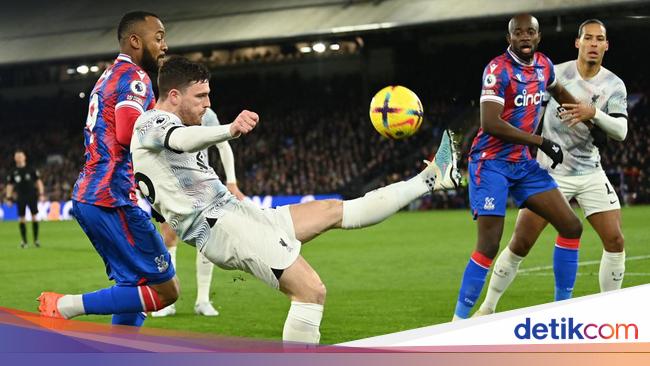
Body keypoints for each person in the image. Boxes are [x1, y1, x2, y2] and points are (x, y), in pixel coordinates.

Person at [130, 55, 459, 343]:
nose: (207, 104)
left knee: (332, 210)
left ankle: (430, 180)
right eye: (200, 96)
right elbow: (181, 140)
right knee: (310, 291)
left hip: (236, 215)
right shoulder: (152, 123)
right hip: (223, 227)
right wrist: (229, 129)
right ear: (173, 96)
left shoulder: (175, 124)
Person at [475, 19, 628, 316]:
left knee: (615, 239)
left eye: (600, 39)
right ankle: (488, 307)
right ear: (578, 42)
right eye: (588, 38)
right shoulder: (554, 72)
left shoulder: (614, 84)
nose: (594, 44)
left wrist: (593, 113)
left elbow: (621, 131)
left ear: (606, 45)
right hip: (550, 172)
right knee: (521, 242)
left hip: (590, 171)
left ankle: (612, 312)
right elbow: (525, 109)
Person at [37, 11, 179, 327]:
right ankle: (65, 306)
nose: (164, 46)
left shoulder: (108, 76)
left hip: (93, 196)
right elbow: (130, 134)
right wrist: (169, 139)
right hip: (113, 199)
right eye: (158, 38)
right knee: (166, 291)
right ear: (135, 40)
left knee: (132, 287)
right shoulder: (135, 78)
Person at [452, 14, 596, 321]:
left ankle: (562, 312)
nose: (525, 37)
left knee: (572, 226)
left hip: (522, 164)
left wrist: (582, 114)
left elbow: (559, 92)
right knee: (489, 245)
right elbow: (490, 123)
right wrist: (540, 141)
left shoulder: (544, 66)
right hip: (490, 163)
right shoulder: (497, 70)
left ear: (539, 36)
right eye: (518, 33)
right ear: (510, 39)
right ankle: (458, 322)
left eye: (530, 31)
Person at [151, 107, 246, 318]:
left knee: (207, 239)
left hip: (200, 184)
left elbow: (223, 144)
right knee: (168, 238)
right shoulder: (162, 113)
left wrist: (231, 181)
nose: (205, 99)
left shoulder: (207, 114)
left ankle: (203, 300)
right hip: (169, 184)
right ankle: (168, 301)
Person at [5, 149, 45, 248]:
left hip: (32, 196)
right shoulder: (13, 172)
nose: (18, 158)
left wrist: (41, 194)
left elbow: (39, 182)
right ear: (15, 158)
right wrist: (8, 198)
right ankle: (24, 241)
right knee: (21, 218)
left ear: (24, 157)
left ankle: (36, 240)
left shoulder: (31, 169)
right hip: (20, 197)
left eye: (20, 156)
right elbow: (9, 186)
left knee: (34, 217)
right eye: (17, 156)